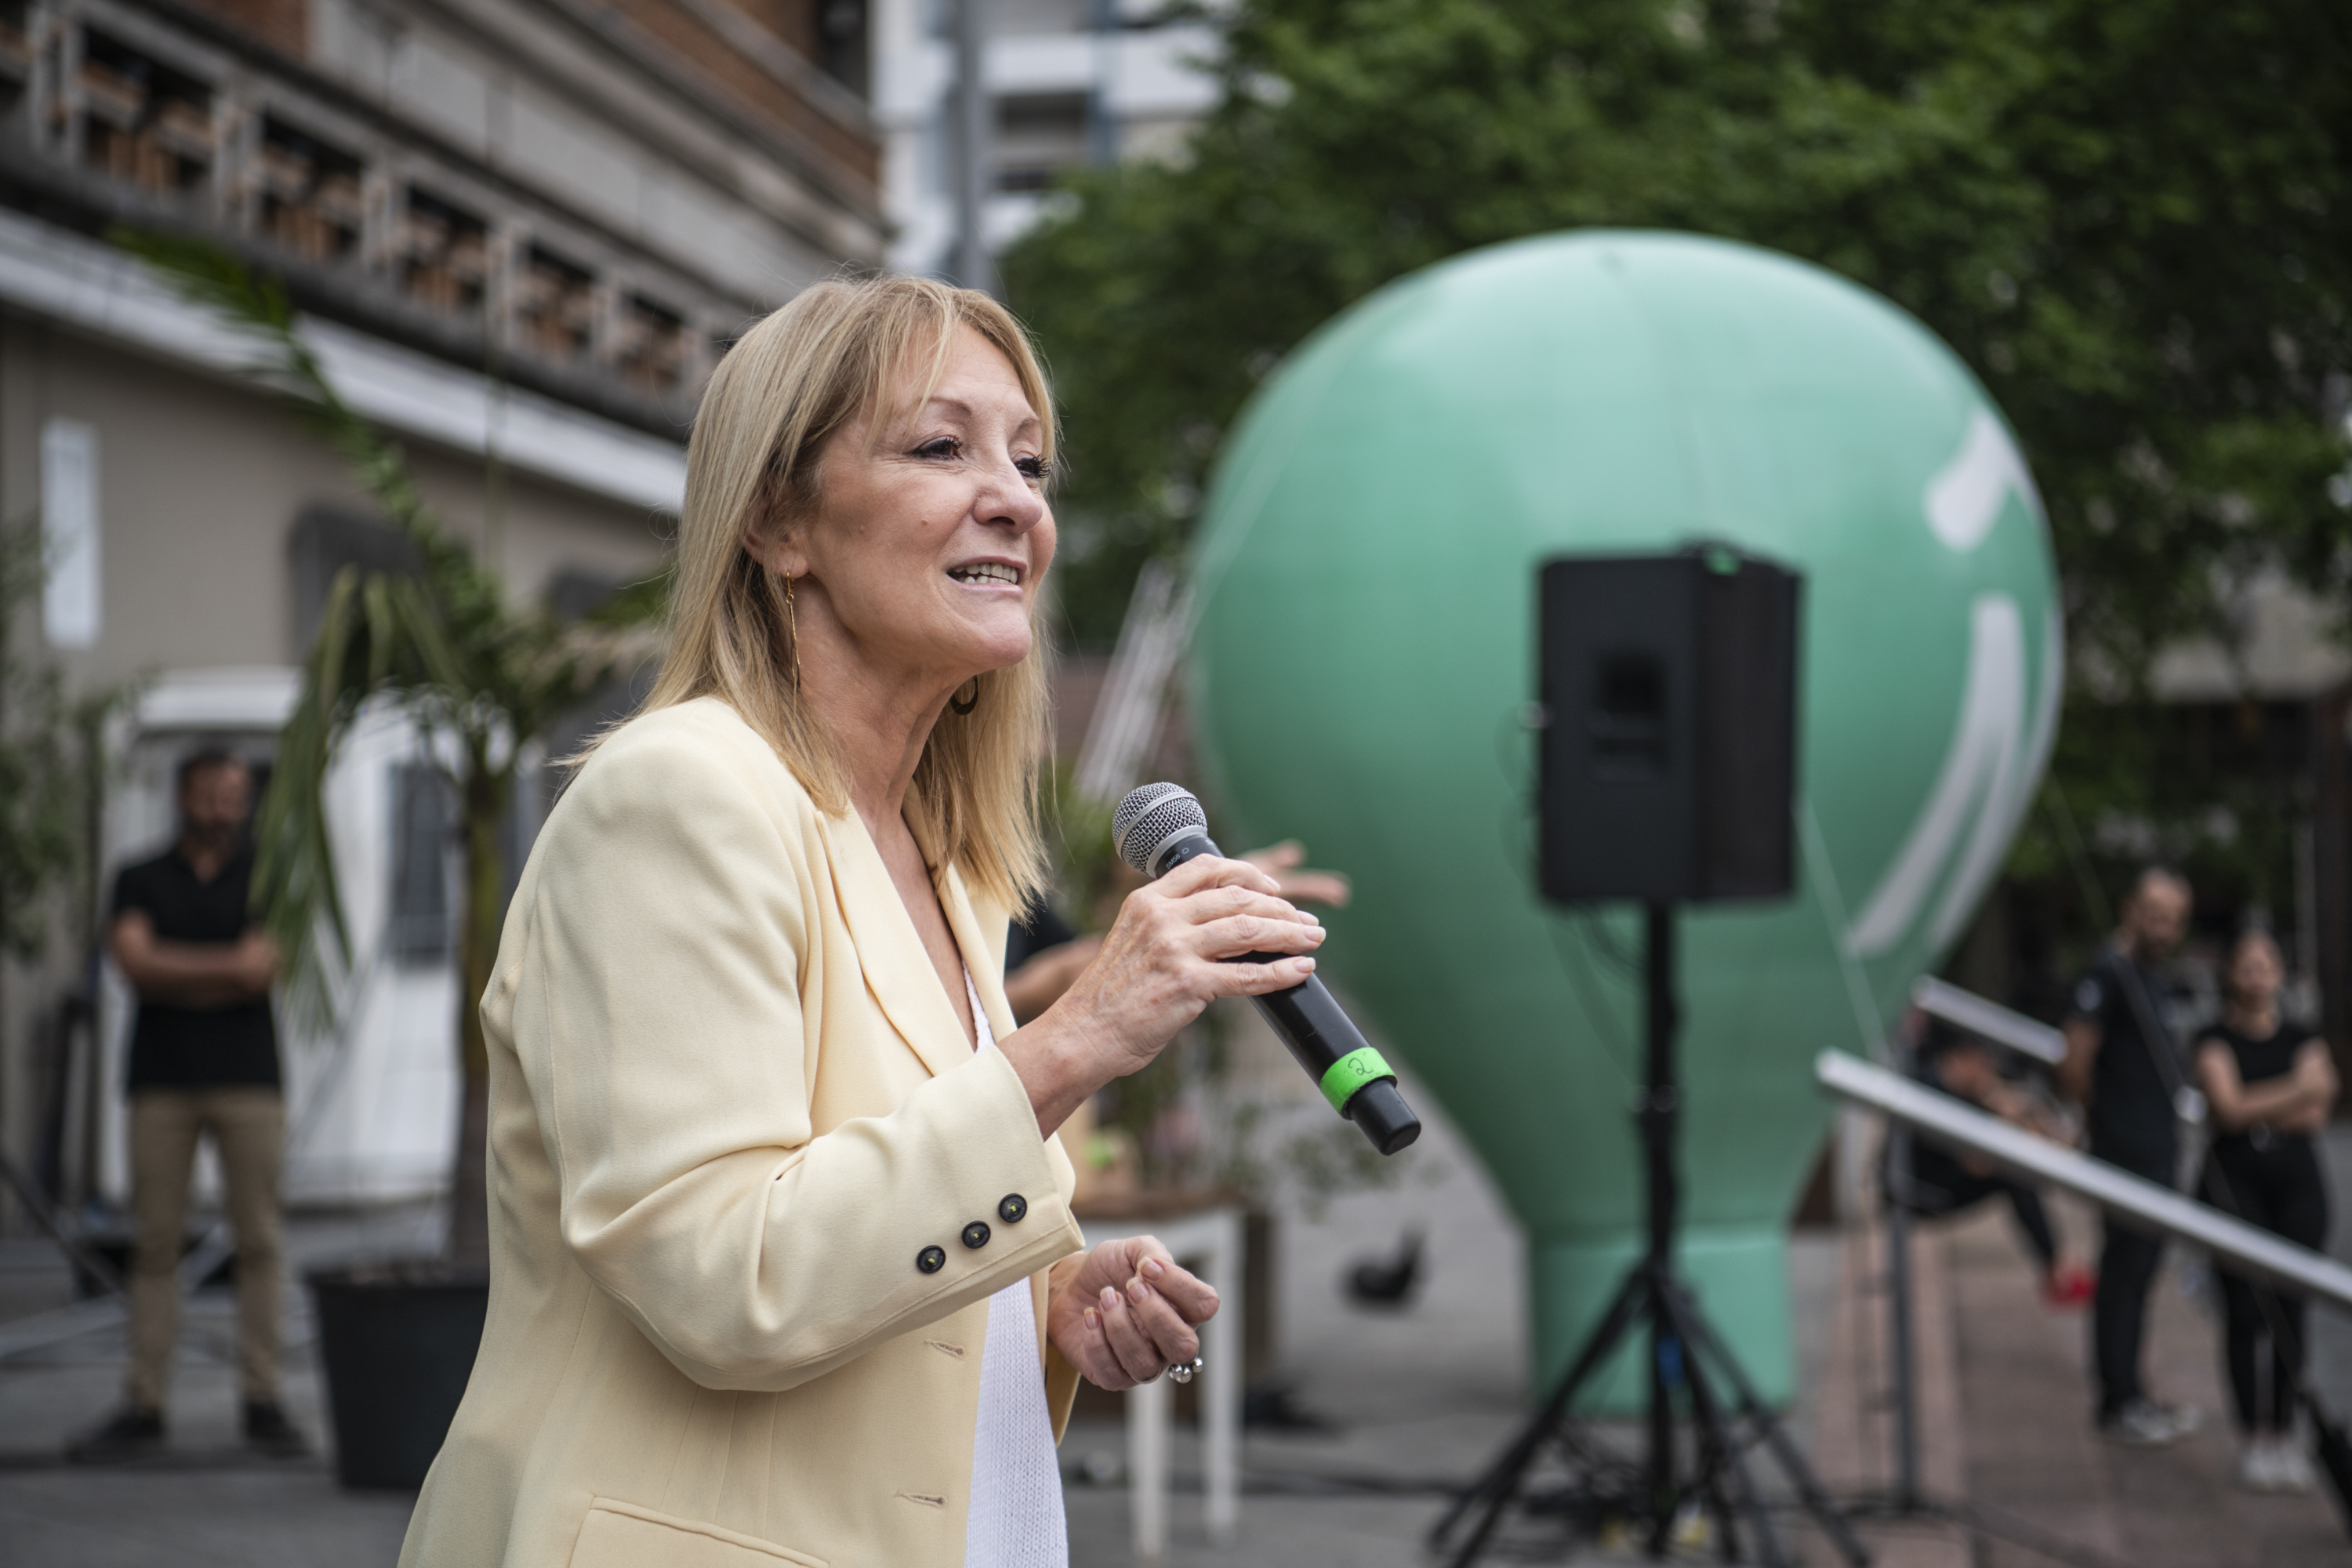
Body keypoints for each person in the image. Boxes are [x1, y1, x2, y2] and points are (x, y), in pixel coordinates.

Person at [400, 276, 1328, 1568]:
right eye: (941, 446)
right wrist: (1080, 1036)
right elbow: (726, 1283)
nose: (1013, 497)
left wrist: (1045, 1302)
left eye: (1031, 460)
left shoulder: (942, 862)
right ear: (780, 520)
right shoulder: (680, 795)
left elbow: (887, 1202)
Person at [67, 750, 306, 1462]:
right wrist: (223, 971)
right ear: (183, 797)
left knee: (259, 1240)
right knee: (155, 1244)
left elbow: (261, 967)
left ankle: (263, 1399)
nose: (222, 809)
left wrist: (177, 972)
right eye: (209, 796)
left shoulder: (267, 874)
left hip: (249, 1080)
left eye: (233, 797)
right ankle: (145, 1404)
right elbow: (133, 966)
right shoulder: (137, 877)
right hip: (160, 1082)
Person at [2193, 928, 2337, 1494]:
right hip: (2235, 1187)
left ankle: (2284, 1430)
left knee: (2293, 1313)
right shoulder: (2212, 1037)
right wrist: (2294, 1091)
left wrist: (2260, 1105)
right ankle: (2253, 1433)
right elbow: (2227, 1110)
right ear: (2231, 973)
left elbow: (2318, 1111)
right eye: (2247, 965)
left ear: (2280, 972)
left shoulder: (2305, 1035)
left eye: (2266, 964)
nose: (2257, 975)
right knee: (2246, 1313)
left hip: (2297, 1188)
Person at [2060, 866, 2200, 1446]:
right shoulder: (2108, 973)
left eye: (2174, 919)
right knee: (2124, 1273)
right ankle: (2119, 1399)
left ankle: (2131, 1390)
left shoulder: (2154, 976)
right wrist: (2098, 1126)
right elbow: (2075, 1058)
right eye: (2156, 914)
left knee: (2140, 1275)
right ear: (2130, 910)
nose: (2164, 928)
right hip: (2128, 1149)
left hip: (2158, 1145)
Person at [1889, 1014, 2092, 1307]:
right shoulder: (1936, 1094)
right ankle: (2054, 1267)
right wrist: (1997, 1104)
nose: (1988, 1071)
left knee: (2015, 1171)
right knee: (2014, 1176)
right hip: (1920, 1194)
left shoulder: (1952, 1085)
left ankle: (2054, 1263)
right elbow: (1978, 1163)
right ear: (1965, 1058)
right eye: (1983, 1063)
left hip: (1932, 1181)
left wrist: (2001, 1103)